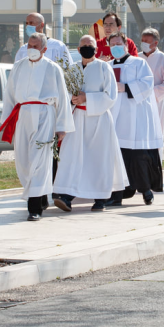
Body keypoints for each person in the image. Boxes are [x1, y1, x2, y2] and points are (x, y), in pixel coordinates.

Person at [0, 32, 74, 221]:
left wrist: (62, 126)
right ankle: (41, 195)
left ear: (44, 49)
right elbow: (10, 94)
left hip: (45, 115)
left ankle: (34, 207)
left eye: (36, 46)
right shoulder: (18, 67)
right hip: (23, 115)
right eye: (29, 45)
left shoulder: (53, 68)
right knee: (25, 160)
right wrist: (8, 120)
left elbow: (62, 97)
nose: (32, 49)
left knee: (40, 159)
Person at [53, 35, 128, 212]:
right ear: (78, 50)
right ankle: (66, 195)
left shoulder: (104, 67)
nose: (87, 47)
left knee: (98, 158)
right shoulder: (72, 70)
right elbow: (64, 94)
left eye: (90, 45)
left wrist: (87, 97)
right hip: (77, 118)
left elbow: (111, 95)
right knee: (71, 157)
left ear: (96, 49)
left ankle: (100, 198)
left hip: (98, 119)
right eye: (83, 45)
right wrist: (72, 99)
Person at [105, 33, 163, 206]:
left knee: (138, 155)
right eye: (112, 44)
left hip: (134, 116)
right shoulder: (106, 66)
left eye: (118, 43)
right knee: (117, 155)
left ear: (126, 45)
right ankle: (117, 195)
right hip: (115, 115)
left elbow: (147, 84)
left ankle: (146, 190)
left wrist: (126, 87)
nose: (115, 46)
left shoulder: (138, 63)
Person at [140, 28, 164, 161]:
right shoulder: (136, 57)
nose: (143, 43)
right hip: (138, 102)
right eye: (142, 41)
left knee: (156, 132)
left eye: (147, 41)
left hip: (156, 102)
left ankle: (155, 164)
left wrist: (149, 93)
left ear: (155, 43)